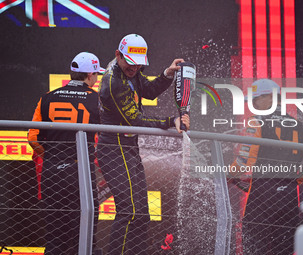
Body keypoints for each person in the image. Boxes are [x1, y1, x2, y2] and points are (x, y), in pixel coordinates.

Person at [97, 33, 190, 254]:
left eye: (138, 65)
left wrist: (168, 73)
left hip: (128, 148)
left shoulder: (132, 71)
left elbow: (148, 91)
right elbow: (135, 120)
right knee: (129, 211)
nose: (134, 68)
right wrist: (171, 121)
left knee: (142, 214)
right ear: (118, 55)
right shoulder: (112, 82)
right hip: (113, 150)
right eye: (130, 64)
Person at [230, 79, 303, 255]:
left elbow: (245, 161)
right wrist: (295, 180)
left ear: (270, 98)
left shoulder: (256, 121)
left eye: (255, 99)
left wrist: (229, 174)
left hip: (261, 196)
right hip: (289, 197)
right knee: (285, 250)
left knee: (253, 248)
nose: (252, 104)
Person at [28, 52, 104, 255]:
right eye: (96, 75)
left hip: (52, 172)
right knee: (85, 235)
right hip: (81, 173)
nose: (97, 79)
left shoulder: (47, 98)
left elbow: (33, 138)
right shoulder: (97, 100)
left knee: (54, 236)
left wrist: (52, 158)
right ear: (89, 75)